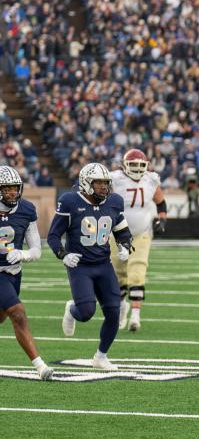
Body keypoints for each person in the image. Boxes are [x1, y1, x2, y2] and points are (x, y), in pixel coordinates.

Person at [47, 163, 134, 370]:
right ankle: (72, 309)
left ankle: (101, 356)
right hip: (80, 265)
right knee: (86, 312)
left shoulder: (114, 201)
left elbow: (122, 231)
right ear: (87, 183)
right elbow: (53, 235)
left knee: (114, 311)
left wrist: (126, 246)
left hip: (103, 264)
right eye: (99, 183)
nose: (104, 188)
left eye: (106, 183)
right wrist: (63, 254)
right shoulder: (70, 201)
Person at [0, 166, 54, 380]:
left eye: (15, 188)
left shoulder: (26, 210)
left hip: (14, 273)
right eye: (7, 189)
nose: (12, 193)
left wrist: (21, 254)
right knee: (18, 314)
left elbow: (36, 250)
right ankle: (40, 366)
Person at [110, 149, 167, 332]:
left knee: (137, 272)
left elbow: (160, 201)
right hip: (117, 233)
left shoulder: (150, 179)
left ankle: (135, 316)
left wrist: (162, 218)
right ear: (124, 165)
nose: (136, 169)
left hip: (141, 233)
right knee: (117, 275)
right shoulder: (115, 179)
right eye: (132, 165)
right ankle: (120, 309)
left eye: (139, 165)